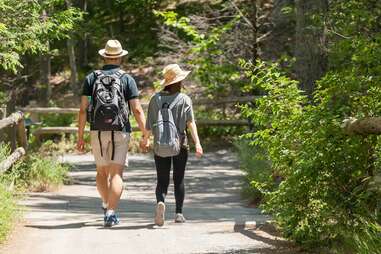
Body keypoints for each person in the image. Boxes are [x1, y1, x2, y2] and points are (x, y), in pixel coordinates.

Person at [77, 39, 149, 227]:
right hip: (121, 129)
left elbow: (83, 109)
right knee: (116, 174)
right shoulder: (127, 79)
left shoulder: (92, 77)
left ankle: (105, 202)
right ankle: (111, 212)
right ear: (120, 58)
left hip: (98, 131)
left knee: (101, 172)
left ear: (104, 56)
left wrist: (79, 137)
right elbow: (137, 109)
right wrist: (145, 133)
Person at [145, 64, 203, 226]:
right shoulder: (184, 99)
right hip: (180, 144)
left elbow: (149, 123)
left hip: (160, 144)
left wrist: (146, 139)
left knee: (161, 180)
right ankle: (178, 213)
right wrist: (197, 143)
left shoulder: (155, 99)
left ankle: (160, 202)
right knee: (179, 179)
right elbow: (190, 123)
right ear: (179, 81)